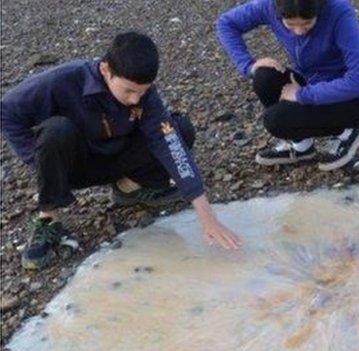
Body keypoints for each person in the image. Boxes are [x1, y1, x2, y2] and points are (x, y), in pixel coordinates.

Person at [0, 31, 241, 270]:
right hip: (74, 165)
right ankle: (49, 219)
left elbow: (171, 145)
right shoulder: (62, 80)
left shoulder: (146, 97)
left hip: (116, 159)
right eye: (128, 91)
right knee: (56, 130)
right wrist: (38, 161)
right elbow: (7, 111)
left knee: (178, 130)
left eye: (142, 92)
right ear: (106, 70)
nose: (136, 100)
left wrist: (208, 218)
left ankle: (129, 188)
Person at [217, 0, 359, 171]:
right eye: (290, 24)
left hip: (349, 100)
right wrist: (248, 65)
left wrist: (302, 95)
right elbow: (226, 23)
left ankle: (346, 132)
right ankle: (301, 146)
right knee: (263, 75)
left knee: (275, 121)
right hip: (309, 83)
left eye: (307, 23)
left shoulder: (338, 11)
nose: (299, 32)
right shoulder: (269, 5)